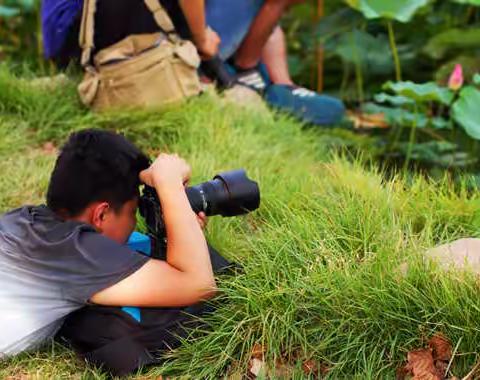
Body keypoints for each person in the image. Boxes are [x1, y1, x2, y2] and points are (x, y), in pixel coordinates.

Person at [0, 129, 228, 373]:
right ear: (101, 214)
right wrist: (169, 184)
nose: (133, 223)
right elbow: (199, 284)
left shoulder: (21, 220)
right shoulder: (79, 252)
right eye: (132, 212)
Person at [41, 0, 345, 126]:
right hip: (105, 40)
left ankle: (271, 81)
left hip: (73, 38)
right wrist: (200, 39)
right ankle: (238, 72)